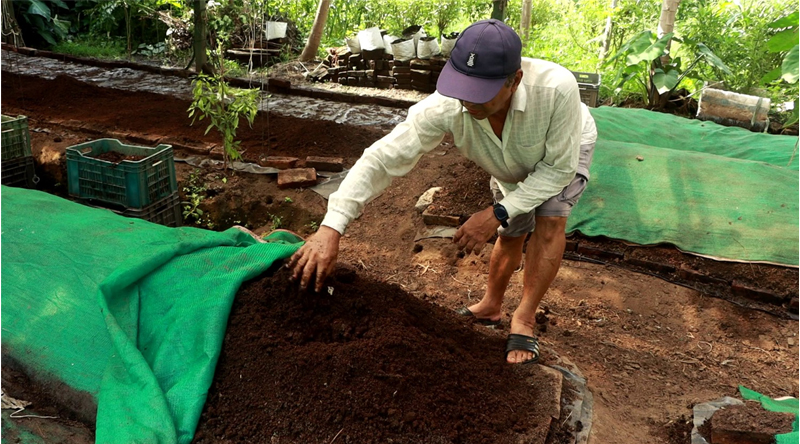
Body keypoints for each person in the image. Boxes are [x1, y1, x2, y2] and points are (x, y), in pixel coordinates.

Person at [287, 19, 597, 365]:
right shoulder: (449, 105)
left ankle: (523, 317)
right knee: (511, 231)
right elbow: (383, 157)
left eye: (481, 92)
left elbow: (557, 170)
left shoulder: (557, 90)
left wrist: (493, 214)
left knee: (550, 221)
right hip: (508, 163)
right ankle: (491, 305)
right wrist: (332, 226)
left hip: (561, 152)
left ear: (515, 80)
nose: (468, 101)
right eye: (463, 86)